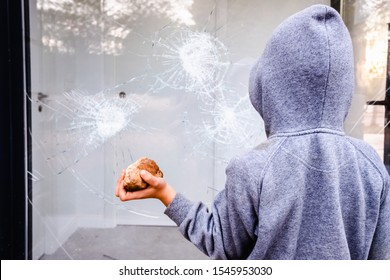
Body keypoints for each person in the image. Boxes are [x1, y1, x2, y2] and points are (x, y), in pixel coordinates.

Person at [115, 4, 390, 259]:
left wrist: (165, 194)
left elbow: (221, 243)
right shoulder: (371, 167)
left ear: (267, 84)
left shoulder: (254, 169)